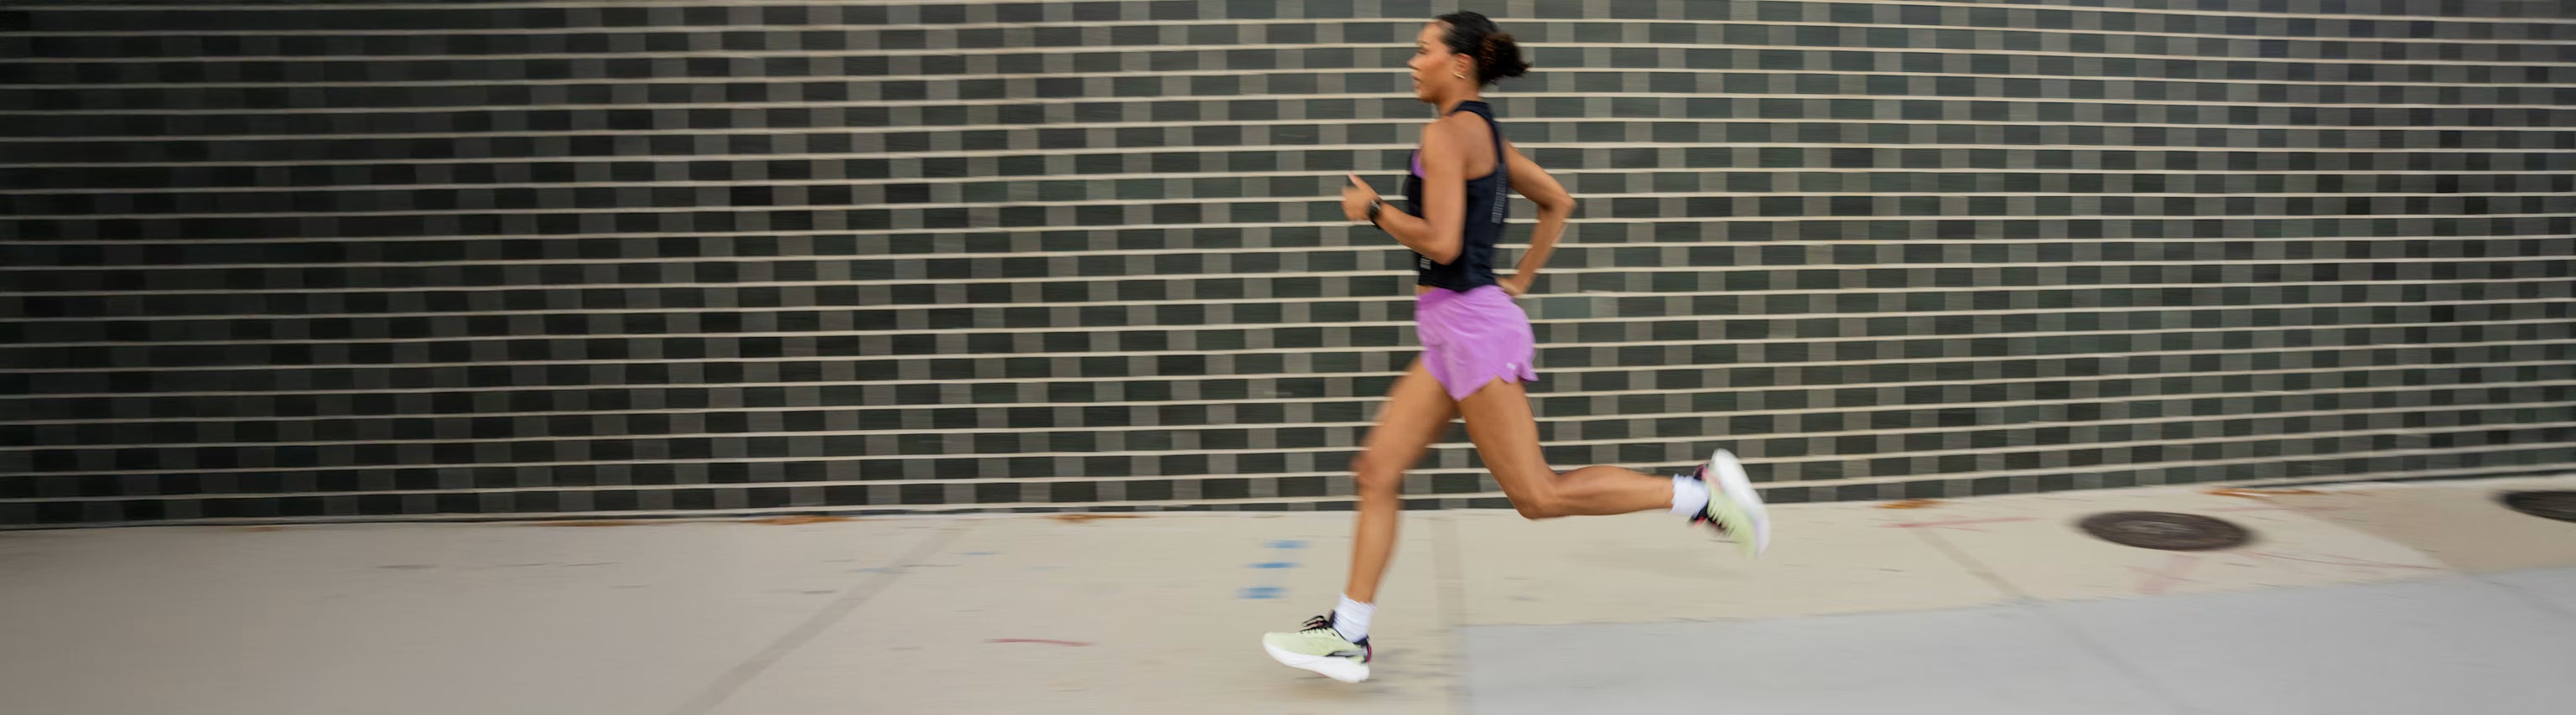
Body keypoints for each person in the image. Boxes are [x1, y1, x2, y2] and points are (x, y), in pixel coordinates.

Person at [1258, 11, 1773, 684]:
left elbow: (1443, 243)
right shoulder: (1487, 137)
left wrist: (1375, 210)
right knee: (1376, 471)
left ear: (1460, 64)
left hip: (1471, 332)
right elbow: (1557, 201)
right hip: (1454, 332)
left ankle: (1700, 493)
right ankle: (1347, 634)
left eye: (1422, 50)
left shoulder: (1448, 133)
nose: (1412, 62)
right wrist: (1521, 278)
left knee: (1538, 494)